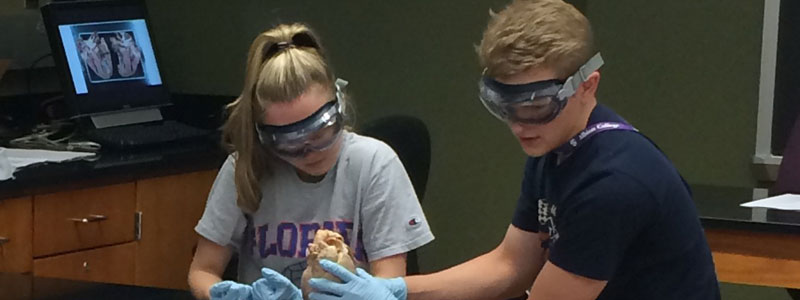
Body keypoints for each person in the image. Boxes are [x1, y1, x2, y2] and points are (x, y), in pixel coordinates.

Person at [296, 1, 721, 299]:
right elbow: (510, 267)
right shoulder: (554, 146)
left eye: (537, 106)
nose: (519, 124)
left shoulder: (614, 183)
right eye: (504, 105)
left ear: (587, 85)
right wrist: (394, 291)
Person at [187, 23, 434, 300]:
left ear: (339, 106)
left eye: (320, 133)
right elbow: (202, 271)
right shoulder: (245, 168)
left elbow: (390, 280)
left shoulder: (375, 163)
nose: (309, 151)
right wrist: (223, 296)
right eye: (289, 143)